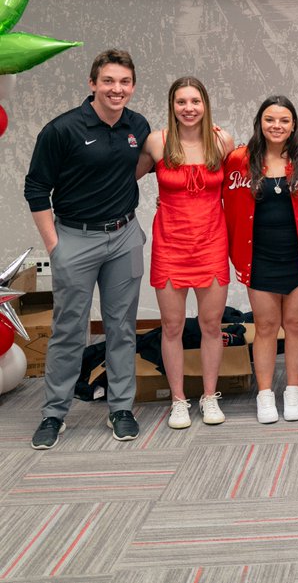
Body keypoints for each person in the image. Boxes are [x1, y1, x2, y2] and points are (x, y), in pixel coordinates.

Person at [25, 50, 151, 449]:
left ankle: (121, 408)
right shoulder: (62, 129)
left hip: (124, 236)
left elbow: (136, 166)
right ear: (92, 83)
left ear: (132, 86)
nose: (117, 89)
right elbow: (35, 188)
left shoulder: (137, 125)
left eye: (125, 82)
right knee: (69, 329)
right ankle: (53, 413)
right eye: (109, 81)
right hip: (74, 239)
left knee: (121, 328)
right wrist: (55, 246)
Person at [138, 77, 234, 429]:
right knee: (172, 326)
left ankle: (209, 397)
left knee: (211, 325)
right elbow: (121, 179)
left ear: (205, 104)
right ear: (172, 105)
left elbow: (238, 193)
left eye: (195, 101)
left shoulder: (222, 142)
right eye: (181, 102)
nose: (189, 108)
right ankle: (179, 400)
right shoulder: (157, 142)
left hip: (210, 242)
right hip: (170, 244)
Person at [224, 95, 298, 424]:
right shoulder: (240, 159)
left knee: (296, 325)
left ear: (294, 124)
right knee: (266, 326)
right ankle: (265, 394)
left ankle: (292, 390)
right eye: (270, 120)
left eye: (284, 120)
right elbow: (217, 196)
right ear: (260, 123)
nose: (277, 126)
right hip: (259, 256)